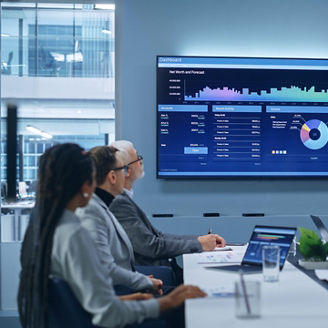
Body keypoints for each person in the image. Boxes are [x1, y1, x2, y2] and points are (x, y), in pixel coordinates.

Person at [17, 143, 205, 328]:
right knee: (188, 308)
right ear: (85, 184)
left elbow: (85, 299)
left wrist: (132, 298)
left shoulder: (49, 225)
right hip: (108, 321)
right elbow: (107, 314)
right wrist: (167, 302)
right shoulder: (73, 233)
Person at [109, 140, 226, 282]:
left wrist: (200, 239)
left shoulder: (124, 199)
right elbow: (151, 246)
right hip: (154, 274)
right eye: (137, 158)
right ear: (126, 170)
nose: (141, 161)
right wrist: (199, 244)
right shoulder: (119, 202)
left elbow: (159, 236)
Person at [76, 145, 163, 294]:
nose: (126, 174)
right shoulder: (92, 212)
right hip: (118, 296)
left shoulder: (102, 206)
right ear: (112, 177)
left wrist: (136, 278)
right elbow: (105, 269)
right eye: (123, 169)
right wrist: (142, 281)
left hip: (124, 288)